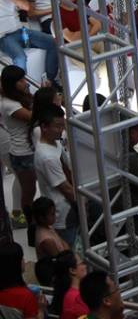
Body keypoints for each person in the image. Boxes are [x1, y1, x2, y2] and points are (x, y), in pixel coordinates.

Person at [33, 104, 77, 246]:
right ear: (44, 127)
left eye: (62, 126)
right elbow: (65, 188)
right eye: (57, 126)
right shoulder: (47, 157)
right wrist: (83, 203)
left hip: (66, 208)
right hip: (63, 211)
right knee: (70, 246)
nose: (61, 130)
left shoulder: (54, 143)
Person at [0, 0, 58, 81]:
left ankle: (49, 81)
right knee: (20, 57)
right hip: (4, 36)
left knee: (53, 42)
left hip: (21, 31)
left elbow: (27, 7)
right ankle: (21, 87)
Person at [0, 242, 44, 319]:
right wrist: (41, 309)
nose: (24, 260)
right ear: (16, 264)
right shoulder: (26, 297)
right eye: (22, 258)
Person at [50, 251, 89, 319]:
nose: (85, 266)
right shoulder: (75, 298)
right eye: (82, 263)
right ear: (72, 270)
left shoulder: (70, 293)